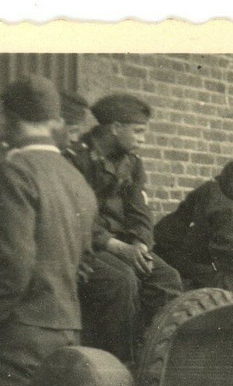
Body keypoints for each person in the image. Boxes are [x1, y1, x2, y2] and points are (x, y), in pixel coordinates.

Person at [0, 75, 98, 386]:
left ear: (9, 118)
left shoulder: (12, 172)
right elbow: (83, 258)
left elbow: (10, 269)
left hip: (15, 341)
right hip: (66, 331)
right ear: (52, 120)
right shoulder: (76, 179)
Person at [65, 92, 182, 363]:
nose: (143, 139)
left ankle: (159, 358)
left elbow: (139, 211)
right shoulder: (76, 159)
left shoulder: (132, 162)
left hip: (122, 245)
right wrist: (116, 246)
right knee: (122, 281)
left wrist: (141, 243)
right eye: (138, 131)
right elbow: (77, 216)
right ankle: (120, 364)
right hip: (86, 245)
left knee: (167, 278)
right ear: (115, 128)